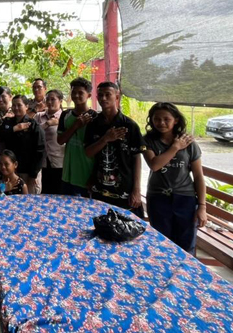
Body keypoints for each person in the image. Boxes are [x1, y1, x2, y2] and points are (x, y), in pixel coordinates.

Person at [142, 102, 206, 253]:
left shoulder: (189, 143)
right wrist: (175, 147)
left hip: (186, 199)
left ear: (176, 120)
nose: (161, 123)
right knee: (161, 243)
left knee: (186, 244)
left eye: (166, 119)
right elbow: (154, 165)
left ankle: (186, 269)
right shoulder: (147, 140)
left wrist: (202, 206)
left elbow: (198, 176)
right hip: (158, 198)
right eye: (157, 119)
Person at [84, 82, 144, 218]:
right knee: (100, 221)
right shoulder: (93, 124)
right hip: (99, 186)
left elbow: (136, 158)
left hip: (124, 187)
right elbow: (88, 152)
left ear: (117, 97)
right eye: (100, 95)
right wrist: (105, 139)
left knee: (124, 223)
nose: (103, 98)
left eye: (108, 94)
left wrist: (136, 189)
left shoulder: (129, 126)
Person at [0, 95, 44, 194]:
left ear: (26, 106)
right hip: (9, 171)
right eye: (14, 105)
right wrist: (14, 129)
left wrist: (33, 175)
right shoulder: (8, 122)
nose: (16, 108)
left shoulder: (33, 125)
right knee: (8, 198)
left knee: (29, 199)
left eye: (19, 105)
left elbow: (40, 151)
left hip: (28, 171)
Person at [57, 77, 97, 197]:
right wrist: (75, 125)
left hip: (86, 174)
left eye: (80, 93)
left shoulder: (95, 117)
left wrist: (94, 176)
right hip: (67, 174)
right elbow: (60, 140)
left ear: (89, 95)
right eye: (73, 92)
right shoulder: (65, 115)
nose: (76, 95)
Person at [36, 90, 64, 194]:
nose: (49, 102)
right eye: (47, 99)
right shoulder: (39, 116)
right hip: (41, 161)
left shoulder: (64, 117)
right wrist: (47, 124)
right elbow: (33, 133)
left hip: (59, 161)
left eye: (53, 99)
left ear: (60, 101)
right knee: (44, 192)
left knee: (59, 192)